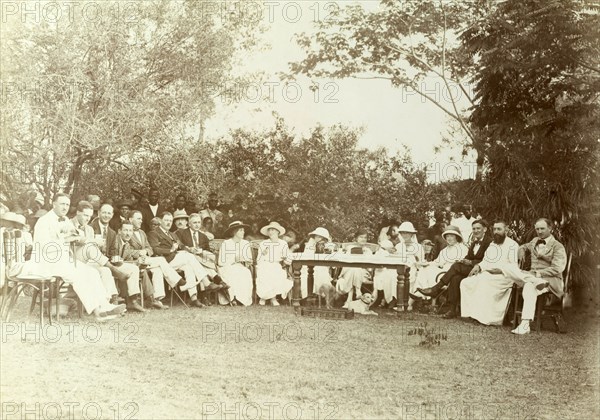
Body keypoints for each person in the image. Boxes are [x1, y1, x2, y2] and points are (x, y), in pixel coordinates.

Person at [29, 193, 126, 321]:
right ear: (54, 204)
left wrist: (77, 236)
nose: (65, 207)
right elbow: (44, 247)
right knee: (78, 275)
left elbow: (78, 235)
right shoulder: (44, 221)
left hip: (63, 260)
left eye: (67, 205)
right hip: (46, 261)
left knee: (92, 272)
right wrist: (66, 239)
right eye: (62, 204)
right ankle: (98, 312)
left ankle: (104, 306)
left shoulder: (65, 221)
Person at [417, 219, 492, 318]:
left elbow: (489, 260)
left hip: (483, 269)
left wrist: (471, 262)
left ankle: (435, 289)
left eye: (478, 228)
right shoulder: (474, 243)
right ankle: (452, 310)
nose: (476, 231)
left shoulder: (490, 242)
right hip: (471, 269)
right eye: (474, 229)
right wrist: (464, 260)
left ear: (485, 229)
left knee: (455, 266)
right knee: (455, 278)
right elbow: (469, 257)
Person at [505, 218, 567, 334]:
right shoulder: (534, 240)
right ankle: (533, 280)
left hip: (550, 280)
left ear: (550, 229)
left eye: (542, 228)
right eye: (537, 229)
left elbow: (558, 268)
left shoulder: (558, 246)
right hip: (534, 278)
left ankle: (524, 325)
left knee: (529, 285)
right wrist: (521, 250)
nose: (539, 231)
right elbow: (524, 246)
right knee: (507, 268)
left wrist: (539, 274)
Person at [147, 211, 220, 307]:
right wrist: (170, 250)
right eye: (166, 220)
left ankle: (193, 298)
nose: (168, 223)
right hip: (164, 261)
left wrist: (190, 249)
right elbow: (155, 249)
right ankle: (206, 282)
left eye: (170, 220)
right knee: (189, 257)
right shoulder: (154, 233)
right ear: (160, 221)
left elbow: (181, 245)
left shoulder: (172, 234)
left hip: (174, 261)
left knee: (189, 266)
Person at [69, 201, 129, 305]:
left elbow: (94, 250)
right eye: (85, 215)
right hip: (72, 261)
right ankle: (114, 269)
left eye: (89, 216)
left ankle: (110, 301)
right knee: (89, 246)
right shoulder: (68, 224)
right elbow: (76, 240)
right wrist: (93, 241)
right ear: (78, 213)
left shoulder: (89, 229)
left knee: (104, 270)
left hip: (88, 262)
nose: (88, 219)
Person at [459, 221, 519, 325]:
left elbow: (513, 266)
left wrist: (500, 270)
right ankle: (470, 314)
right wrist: (478, 266)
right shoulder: (492, 244)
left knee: (483, 282)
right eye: (494, 229)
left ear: (506, 230)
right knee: (466, 282)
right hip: (488, 274)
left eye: (499, 229)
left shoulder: (512, 245)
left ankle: (484, 318)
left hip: (504, 276)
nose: (496, 232)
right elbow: (486, 261)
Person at [128, 210, 187, 309]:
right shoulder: (126, 231)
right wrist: (138, 253)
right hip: (134, 261)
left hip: (146, 259)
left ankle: (156, 299)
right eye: (138, 219)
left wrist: (146, 252)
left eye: (141, 219)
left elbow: (150, 248)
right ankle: (177, 279)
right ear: (130, 220)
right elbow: (126, 250)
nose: (141, 221)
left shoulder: (142, 232)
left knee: (158, 270)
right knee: (160, 260)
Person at [91, 203, 144, 311]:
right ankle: (113, 300)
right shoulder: (91, 228)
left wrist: (116, 258)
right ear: (99, 213)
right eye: (104, 212)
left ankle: (132, 300)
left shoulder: (111, 232)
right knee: (106, 270)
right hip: (94, 262)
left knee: (133, 268)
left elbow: (112, 251)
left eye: (109, 213)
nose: (106, 215)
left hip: (109, 262)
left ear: (112, 214)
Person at [175, 213, 229, 304]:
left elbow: (207, 250)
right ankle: (216, 282)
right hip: (187, 260)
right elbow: (179, 246)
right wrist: (189, 249)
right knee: (200, 265)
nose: (197, 225)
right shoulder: (181, 233)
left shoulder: (203, 236)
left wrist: (201, 251)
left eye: (199, 222)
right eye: (194, 222)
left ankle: (205, 295)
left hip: (200, 259)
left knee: (202, 264)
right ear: (189, 223)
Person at [410, 225, 468, 302]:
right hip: (442, 270)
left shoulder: (463, 248)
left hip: (451, 273)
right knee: (423, 269)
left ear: (457, 237)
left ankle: (425, 294)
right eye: (447, 236)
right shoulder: (445, 250)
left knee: (428, 270)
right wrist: (426, 264)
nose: (449, 238)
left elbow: (461, 264)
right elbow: (437, 262)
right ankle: (420, 294)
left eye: (452, 236)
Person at [374, 221, 424, 310]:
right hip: (398, 267)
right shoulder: (399, 246)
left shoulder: (418, 247)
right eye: (403, 233)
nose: (405, 235)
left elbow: (420, 262)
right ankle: (392, 299)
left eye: (407, 233)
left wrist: (414, 261)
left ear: (412, 234)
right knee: (388, 274)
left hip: (412, 268)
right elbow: (394, 258)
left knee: (400, 276)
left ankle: (400, 301)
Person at [217, 221, 254, 306]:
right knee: (232, 272)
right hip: (227, 266)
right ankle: (232, 298)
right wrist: (234, 259)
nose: (243, 232)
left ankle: (242, 299)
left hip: (240, 266)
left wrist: (246, 261)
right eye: (240, 230)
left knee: (245, 272)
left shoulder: (245, 243)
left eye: (243, 230)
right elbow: (220, 262)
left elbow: (249, 259)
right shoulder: (226, 243)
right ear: (234, 232)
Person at [255, 221, 292, 306]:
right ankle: (264, 297)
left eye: (273, 230)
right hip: (264, 264)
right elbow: (259, 259)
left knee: (276, 272)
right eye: (269, 230)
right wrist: (263, 255)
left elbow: (287, 257)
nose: (271, 232)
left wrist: (285, 259)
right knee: (265, 272)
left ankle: (273, 298)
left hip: (276, 265)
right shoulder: (264, 243)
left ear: (278, 232)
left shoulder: (283, 243)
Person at [336, 229, 374, 309]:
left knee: (355, 269)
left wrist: (365, 255)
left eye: (365, 237)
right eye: (361, 237)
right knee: (354, 269)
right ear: (356, 238)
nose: (363, 239)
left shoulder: (368, 251)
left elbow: (370, 268)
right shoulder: (350, 248)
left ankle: (349, 301)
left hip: (363, 273)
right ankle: (358, 290)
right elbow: (346, 261)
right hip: (351, 272)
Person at [297, 227, 334, 299]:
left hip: (323, 265)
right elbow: (307, 256)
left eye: (320, 237)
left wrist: (326, 250)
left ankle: (321, 295)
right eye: (316, 236)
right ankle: (307, 296)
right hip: (309, 265)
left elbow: (330, 258)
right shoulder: (310, 243)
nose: (318, 238)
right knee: (306, 275)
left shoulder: (329, 245)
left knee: (321, 273)